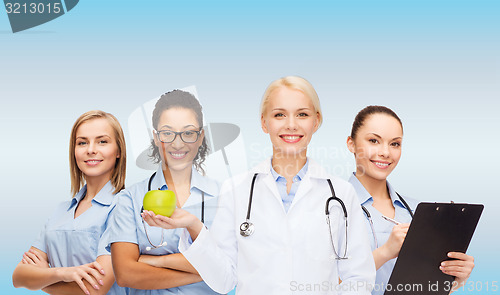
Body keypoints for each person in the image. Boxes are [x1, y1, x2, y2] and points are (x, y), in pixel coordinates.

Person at [141, 76, 376, 294]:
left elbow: (359, 279)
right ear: (264, 123)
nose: (291, 125)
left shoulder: (341, 194)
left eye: (302, 114)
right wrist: (193, 226)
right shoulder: (237, 189)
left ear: (316, 121)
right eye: (279, 115)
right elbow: (224, 280)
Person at [346, 105, 475, 295]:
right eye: (374, 140)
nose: (385, 152)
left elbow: (424, 286)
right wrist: (385, 252)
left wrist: (454, 279)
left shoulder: (417, 211)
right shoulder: (330, 206)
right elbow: (320, 282)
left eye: (395, 144)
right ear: (351, 144)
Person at [105, 90, 221, 294]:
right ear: (156, 138)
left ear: (201, 136)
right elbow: (125, 274)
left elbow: (231, 262)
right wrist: (205, 271)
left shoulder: (224, 197)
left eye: (188, 133)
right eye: (168, 133)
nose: (178, 143)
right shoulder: (130, 199)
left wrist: (155, 261)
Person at [12, 110, 128, 295]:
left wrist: (42, 279)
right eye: (82, 142)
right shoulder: (61, 211)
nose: (90, 149)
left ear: (119, 151)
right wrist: (63, 273)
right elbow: (18, 277)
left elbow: (95, 287)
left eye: (102, 141)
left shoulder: (124, 207)